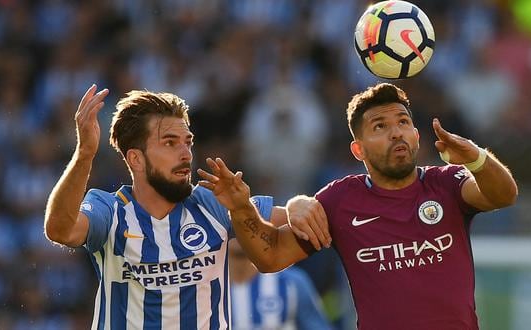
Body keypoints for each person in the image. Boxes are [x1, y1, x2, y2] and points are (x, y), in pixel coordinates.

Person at [197, 82, 518, 330]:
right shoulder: (340, 201)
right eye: (380, 126)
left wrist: (476, 158)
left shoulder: (446, 184)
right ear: (358, 149)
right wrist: (241, 208)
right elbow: (272, 256)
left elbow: (504, 195)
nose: (396, 133)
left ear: (417, 135)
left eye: (403, 122)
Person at [43, 84, 323, 329]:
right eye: (170, 143)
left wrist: (298, 203)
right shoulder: (110, 210)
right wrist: (85, 155)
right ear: (136, 159)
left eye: (187, 142)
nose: (185, 153)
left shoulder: (211, 203)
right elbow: (60, 230)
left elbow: (289, 217)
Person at [228, 239, 331, 330]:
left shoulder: (292, 283)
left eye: (242, 222)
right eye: (228, 220)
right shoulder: (212, 289)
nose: (236, 229)